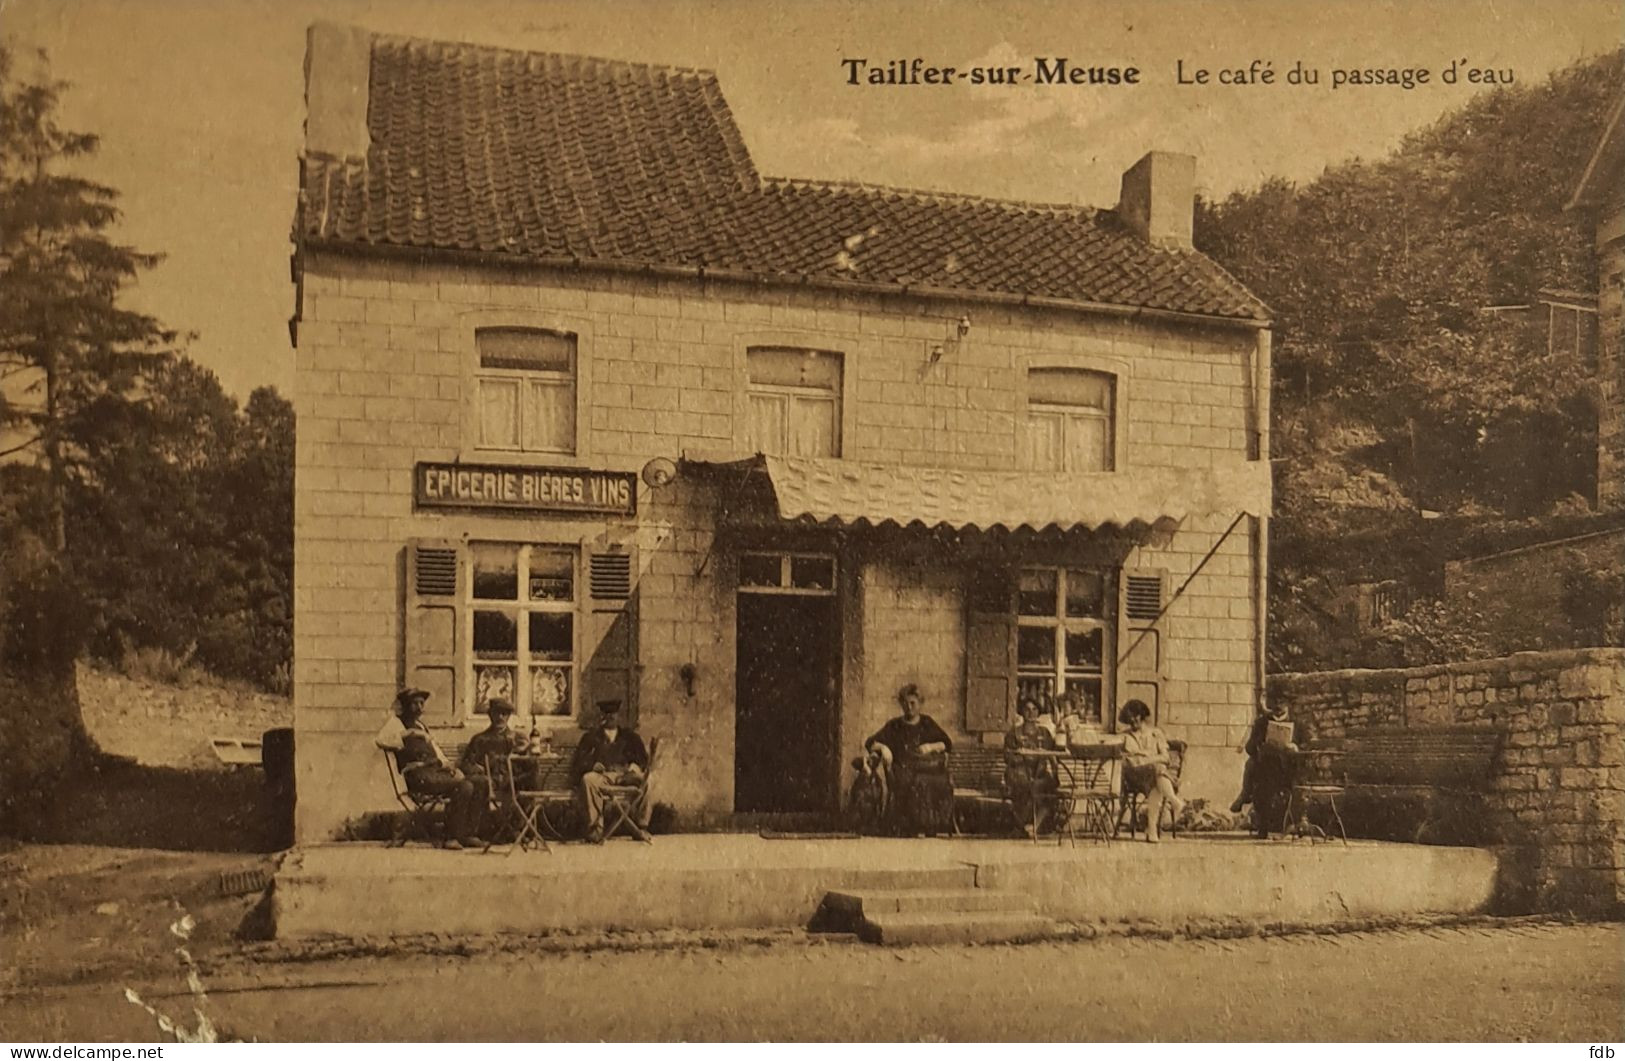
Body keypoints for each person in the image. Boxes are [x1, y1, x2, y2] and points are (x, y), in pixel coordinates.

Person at [375, 687, 484, 849]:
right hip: (417, 776)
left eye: (421, 703)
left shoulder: (421, 725)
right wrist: (410, 733)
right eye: (415, 703)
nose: (419, 707)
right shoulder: (396, 723)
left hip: (434, 772)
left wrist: (448, 765)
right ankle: (451, 837)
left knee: (480, 782)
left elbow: (436, 752)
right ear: (405, 705)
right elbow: (381, 740)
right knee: (464, 786)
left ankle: (468, 833)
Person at [866, 683, 953, 836]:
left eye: (913, 703)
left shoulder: (927, 723)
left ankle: (929, 826)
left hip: (925, 769)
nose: (909, 707)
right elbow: (870, 743)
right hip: (902, 769)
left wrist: (931, 747)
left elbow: (947, 743)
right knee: (912, 782)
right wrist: (883, 748)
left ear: (920, 704)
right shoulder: (894, 726)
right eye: (905, 703)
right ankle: (912, 827)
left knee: (929, 782)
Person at [570, 700, 653, 843]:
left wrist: (635, 765)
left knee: (649, 780)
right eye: (606, 714)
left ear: (618, 716)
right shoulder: (591, 737)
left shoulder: (630, 736)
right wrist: (593, 765)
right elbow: (579, 761)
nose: (610, 717)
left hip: (626, 776)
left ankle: (641, 825)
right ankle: (595, 828)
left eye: (613, 714)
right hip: (603, 776)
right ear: (601, 716)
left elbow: (643, 759)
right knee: (588, 779)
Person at [1118, 699, 1186, 843]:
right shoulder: (1125, 736)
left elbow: (1166, 757)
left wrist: (1145, 758)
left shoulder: (1156, 734)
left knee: (1156, 782)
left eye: (1135, 716)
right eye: (1129, 719)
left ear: (1142, 716)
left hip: (1153, 774)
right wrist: (1149, 758)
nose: (1132, 721)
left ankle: (1152, 830)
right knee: (1158, 770)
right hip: (1134, 776)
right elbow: (1128, 760)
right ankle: (1174, 802)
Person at [459, 698, 527, 832]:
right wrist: (478, 769)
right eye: (497, 713)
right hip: (491, 782)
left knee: (531, 777)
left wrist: (524, 751)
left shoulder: (518, 738)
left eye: (504, 714)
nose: (500, 717)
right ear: (490, 715)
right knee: (479, 783)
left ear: (509, 716)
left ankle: (524, 829)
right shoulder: (480, 739)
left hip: (513, 780)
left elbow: (526, 762)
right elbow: (466, 764)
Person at [1237, 701, 1299, 839]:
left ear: (1288, 708)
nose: (1278, 712)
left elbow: (1307, 743)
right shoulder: (1261, 723)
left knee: (1295, 788)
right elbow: (1249, 748)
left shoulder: (1297, 723)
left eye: (1282, 709)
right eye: (1276, 709)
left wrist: (1294, 747)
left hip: (1286, 769)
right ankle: (1261, 825)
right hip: (1266, 767)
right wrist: (1261, 744)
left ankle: (1289, 826)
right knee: (1261, 788)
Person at [1004, 696, 1058, 838]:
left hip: (1039, 773)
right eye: (1027, 709)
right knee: (1026, 786)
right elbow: (1007, 757)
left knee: (1052, 786)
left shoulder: (1044, 733)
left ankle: (1034, 826)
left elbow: (1054, 751)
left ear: (1039, 712)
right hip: (1018, 773)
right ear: (1021, 712)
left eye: (1034, 709)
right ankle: (1024, 824)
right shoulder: (1014, 733)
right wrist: (1020, 755)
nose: (1031, 713)